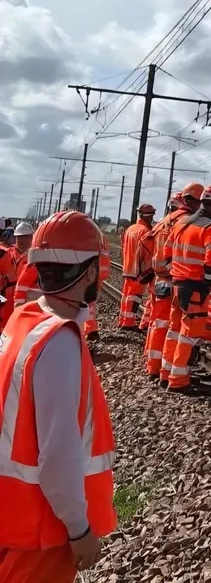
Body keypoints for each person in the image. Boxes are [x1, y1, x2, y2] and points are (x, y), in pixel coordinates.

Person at [0, 210, 116, 582]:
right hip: (40, 531)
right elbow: (58, 453)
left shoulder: (24, 319)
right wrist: (79, 530)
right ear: (91, 270)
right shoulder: (59, 342)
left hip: (11, 515)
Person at [164, 186, 211, 392]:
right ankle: (178, 379)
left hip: (176, 285)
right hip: (194, 289)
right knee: (189, 335)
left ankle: (165, 372)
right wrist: (210, 284)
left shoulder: (182, 223)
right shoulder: (210, 228)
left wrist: (177, 272)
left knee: (174, 331)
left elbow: (166, 254)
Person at [148, 187, 201, 383]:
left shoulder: (164, 221)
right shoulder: (185, 222)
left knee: (158, 324)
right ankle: (169, 371)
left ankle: (153, 366)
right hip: (175, 280)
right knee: (175, 329)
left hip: (159, 279)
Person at [118, 204, 156, 331]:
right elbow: (148, 253)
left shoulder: (130, 229)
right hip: (137, 269)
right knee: (134, 297)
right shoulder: (145, 231)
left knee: (126, 295)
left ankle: (122, 320)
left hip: (127, 267)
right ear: (149, 217)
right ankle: (128, 323)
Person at [0, 222, 34, 327]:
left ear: (31, 237)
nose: (22, 240)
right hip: (7, 298)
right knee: (4, 325)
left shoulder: (35, 256)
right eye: (19, 237)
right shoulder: (6, 253)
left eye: (25, 237)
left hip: (26, 298)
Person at [82, 231, 111, 343]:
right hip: (101, 271)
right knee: (90, 301)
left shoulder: (88, 233)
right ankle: (90, 329)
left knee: (87, 301)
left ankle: (90, 330)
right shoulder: (101, 235)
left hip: (92, 271)